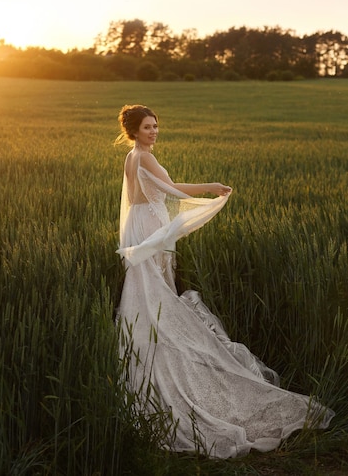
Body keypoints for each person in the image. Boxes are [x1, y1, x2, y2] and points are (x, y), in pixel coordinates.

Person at [115, 104, 334, 459]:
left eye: (156, 126)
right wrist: (211, 188)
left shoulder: (132, 156)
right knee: (161, 299)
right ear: (135, 130)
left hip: (142, 225)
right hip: (152, 230)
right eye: (148, 127)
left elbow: (147, 196)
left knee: (152, 297)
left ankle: (155, 346)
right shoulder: (145, 157)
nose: (154, 131)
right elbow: (171, 190)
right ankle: (173, 359)